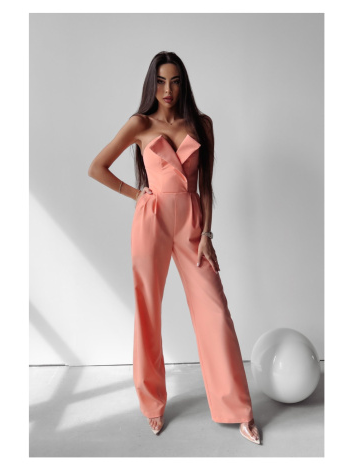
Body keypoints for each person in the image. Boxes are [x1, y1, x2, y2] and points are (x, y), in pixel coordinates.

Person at [88, 51, 261, 444]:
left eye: (176, 81)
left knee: (215, 312)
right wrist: (137, 194)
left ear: (184, 84)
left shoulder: (201, 124)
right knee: (148, 310)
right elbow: (97, 167)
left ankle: (239, 409)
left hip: (191, 226)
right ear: (153, 84)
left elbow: (205, 186)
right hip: (151, 222)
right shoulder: (140, 124)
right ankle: (152, 405)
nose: (168, 89)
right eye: (162, 81)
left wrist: (207, 235)